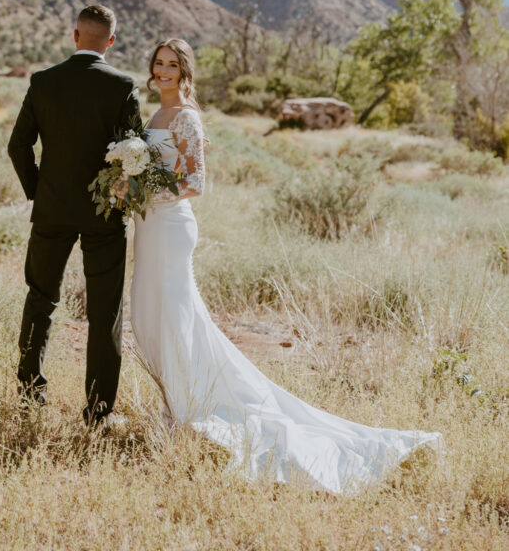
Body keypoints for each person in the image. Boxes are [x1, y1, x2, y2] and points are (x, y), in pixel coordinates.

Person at [130, 37, 442, 494]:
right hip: (147, 229)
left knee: (177, 319)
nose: (163, 71)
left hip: (172, 227)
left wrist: (145, 192)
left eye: (172, 65)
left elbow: (195, 182)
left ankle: (188, 413)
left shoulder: (188, 118)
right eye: (158, 63)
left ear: (185, 71)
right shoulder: (153, 115)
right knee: (150, 319)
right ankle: (176, 406)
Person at [8, 4, 140, 424]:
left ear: (76, 36)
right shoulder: (122, 85)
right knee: (105, 312)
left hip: (51, 212)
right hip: (104, 218)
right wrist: (117, 200)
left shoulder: (44, 81)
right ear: (111, 41)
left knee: (40, 299)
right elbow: (132, 156)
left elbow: (18, 146)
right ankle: (99, 411)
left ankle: (31, 397)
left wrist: (39, 192)